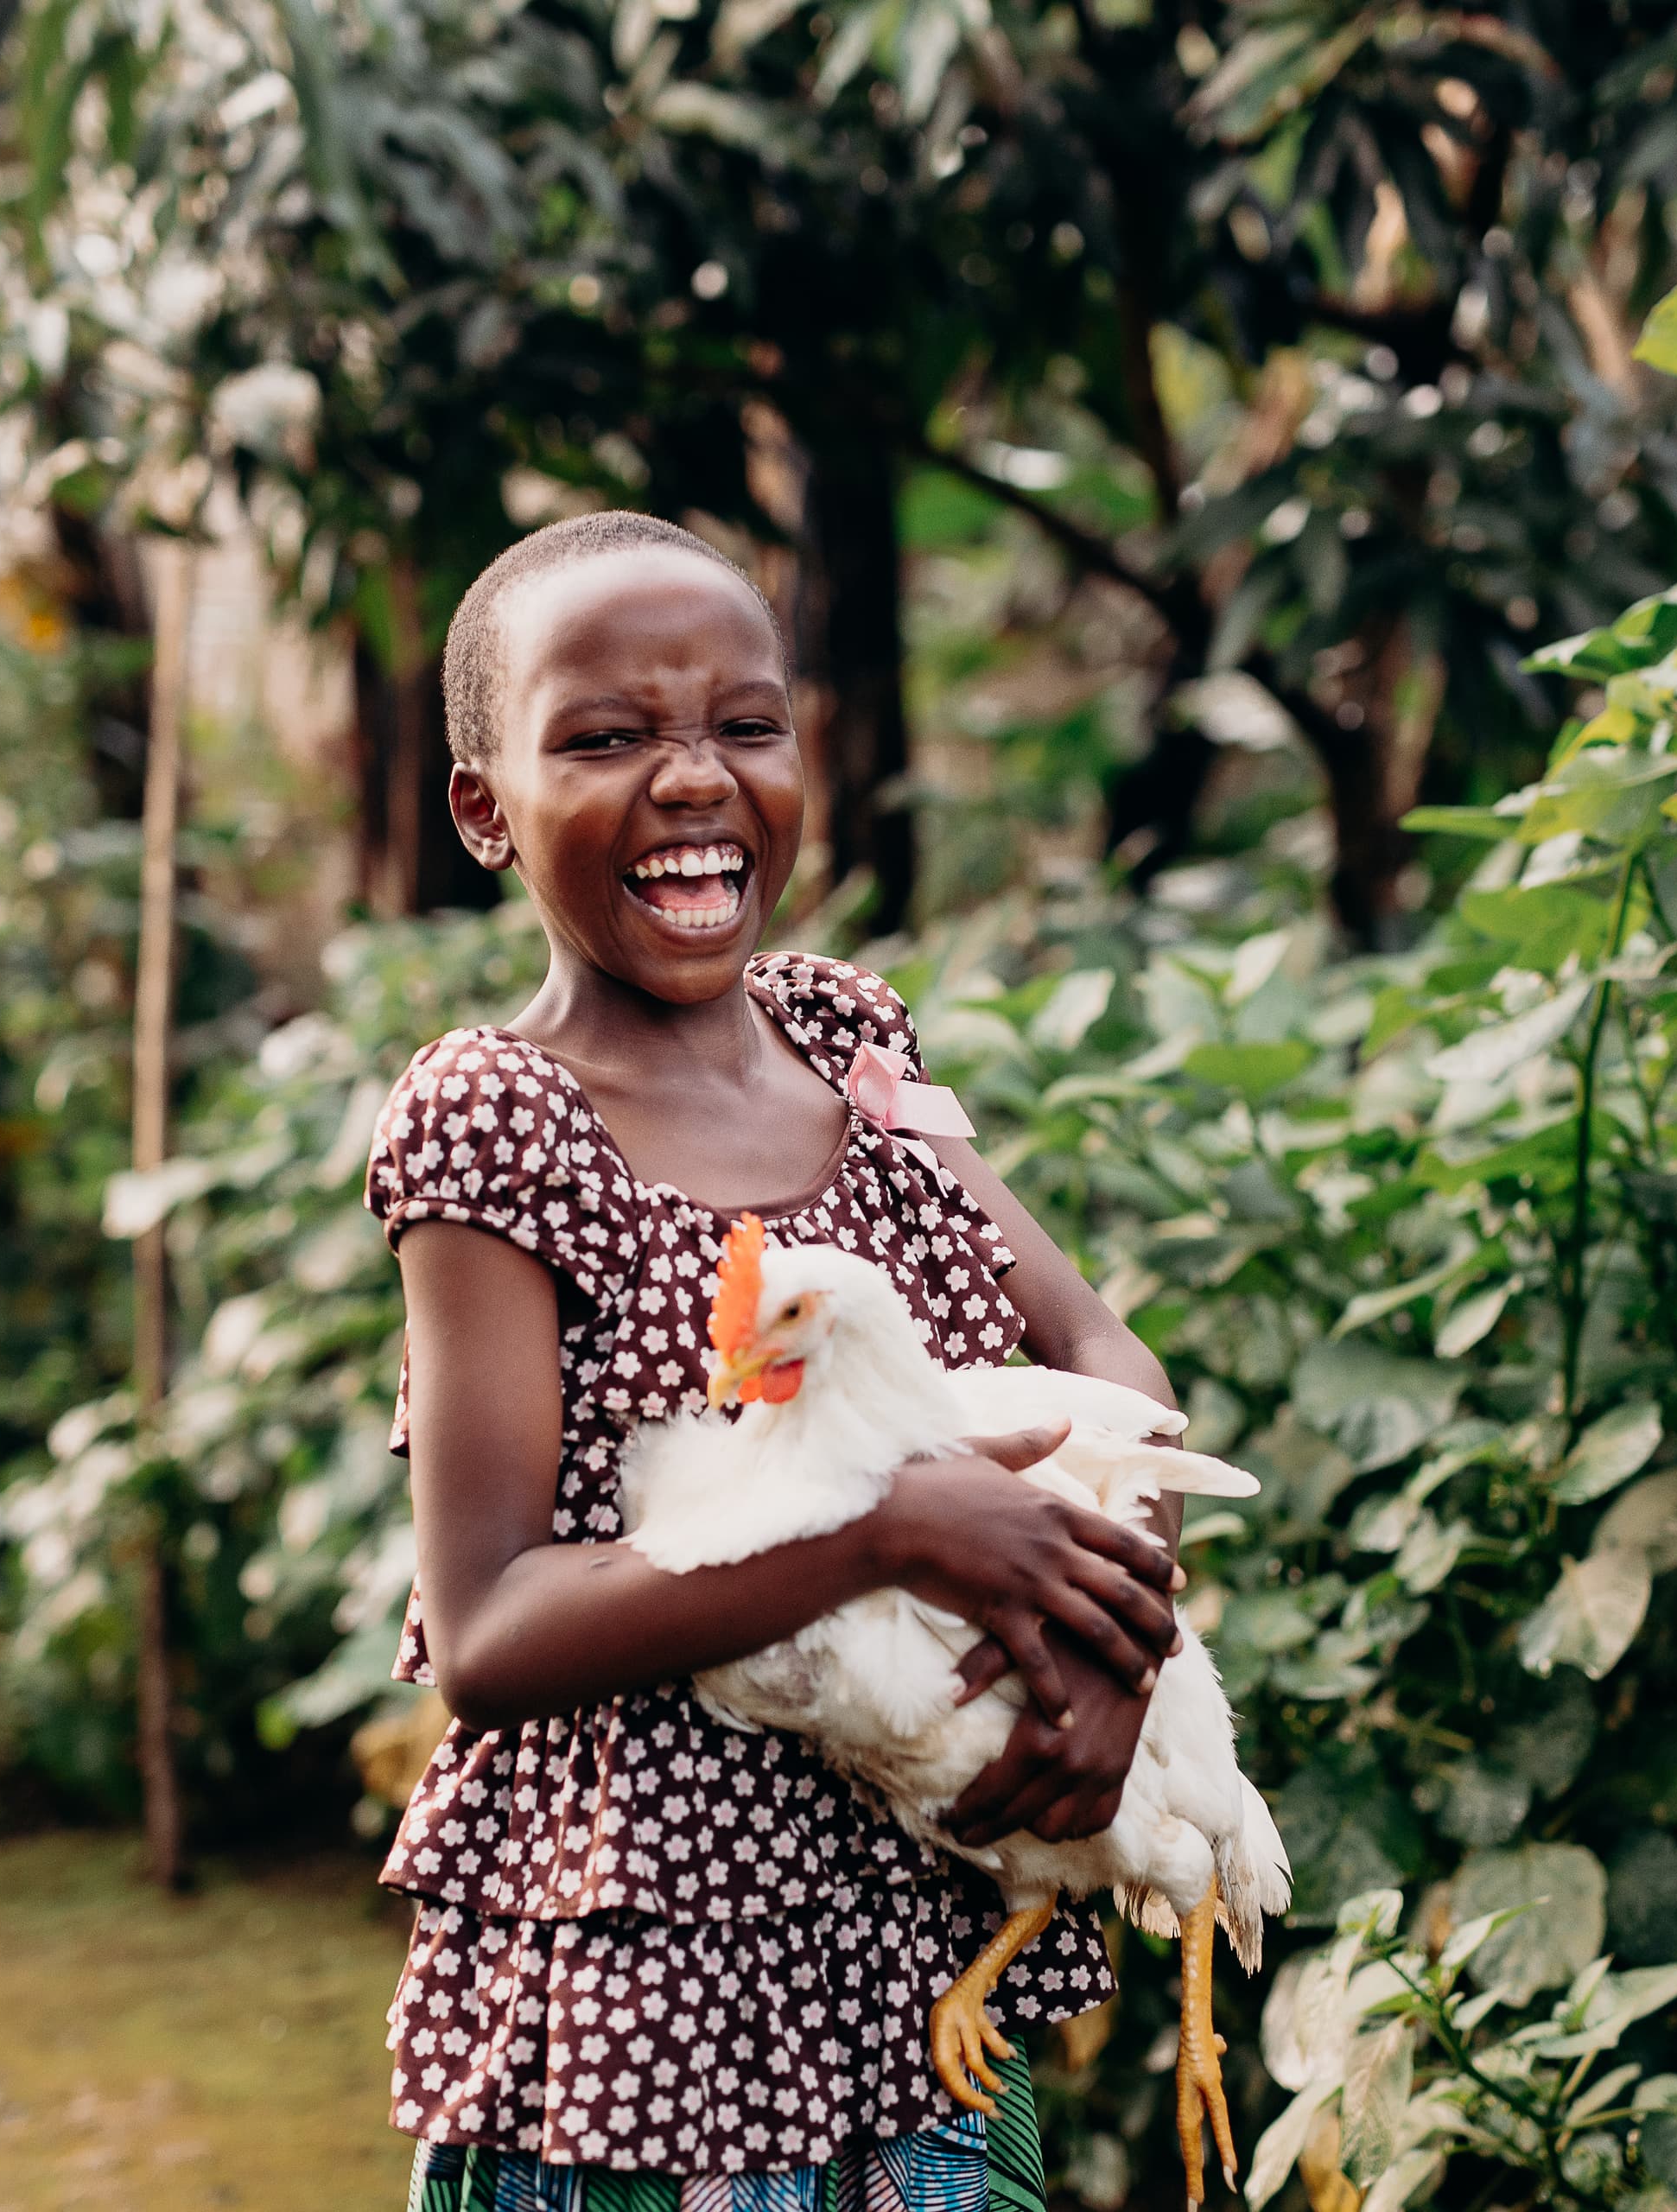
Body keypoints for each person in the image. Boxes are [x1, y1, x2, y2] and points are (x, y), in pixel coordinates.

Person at [368, 511, 1191, 2209]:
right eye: (604, 737)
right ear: (483, 808)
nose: (692, 777)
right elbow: (492, 1626)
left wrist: (1123, 1629)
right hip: (647, 2016)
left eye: (745, 723)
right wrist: (895, 1529)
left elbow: (1095, 1335)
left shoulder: (852, 1040)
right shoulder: (496, 1120)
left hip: (916, 1965)